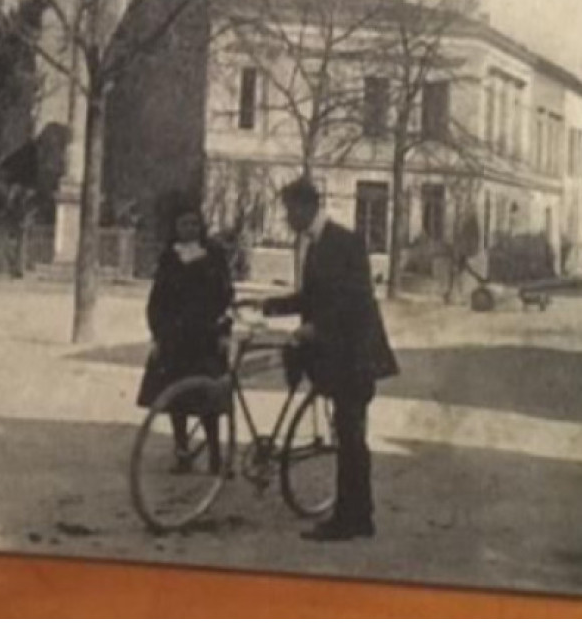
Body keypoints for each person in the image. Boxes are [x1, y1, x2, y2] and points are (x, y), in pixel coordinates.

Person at [262, 177, 399, 541]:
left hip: (355, 353)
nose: (287, 217)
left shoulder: (344, 242)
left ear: (307, 207)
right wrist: (267, 306)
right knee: (348, 434)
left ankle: (350, 519)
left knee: (351, 437)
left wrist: (316, 328)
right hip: (340, 353)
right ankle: (358, 515)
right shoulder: (316, 242)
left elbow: (353, 301)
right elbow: (312, 296)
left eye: (289, 210)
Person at [136, 207, 235, 474]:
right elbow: (157, 301)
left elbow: (227, 296)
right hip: (175, 339)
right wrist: (157, 334)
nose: (189, 229)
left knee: (209, 401)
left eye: (194, 223)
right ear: (176, 228)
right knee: (176, 400)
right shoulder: (170, 258)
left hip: (206, 338)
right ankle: (182, 453)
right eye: (183, 224)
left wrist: (224, 332)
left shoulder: (213, 256)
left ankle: (216, 456)